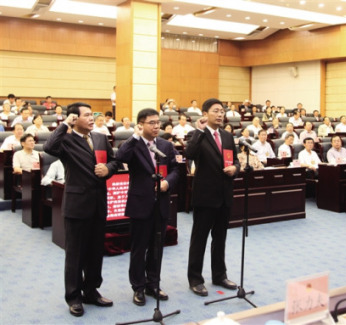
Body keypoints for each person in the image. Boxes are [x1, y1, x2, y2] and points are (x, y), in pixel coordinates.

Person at [43, 102, 120, 317]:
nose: (91, 118)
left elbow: (114, 162)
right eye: (86, 115)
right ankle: (74, 297)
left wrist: (108, 169)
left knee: (96, 252)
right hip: (77, 205)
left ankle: (91, 291)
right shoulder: (66, 140)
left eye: (91, 114)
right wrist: (64, 124)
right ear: (74, 118)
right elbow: (49, 148)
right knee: (75, 255)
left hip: (99, 204)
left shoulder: (100, 138)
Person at [116, 108, 179, 306]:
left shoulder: (166, 145)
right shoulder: (133, 145)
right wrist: (134, 136)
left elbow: (177, 168)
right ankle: (138, 287)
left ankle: (153, 283)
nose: (156, 126)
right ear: (141, 125)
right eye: (151, 122)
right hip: (140, 204)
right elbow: (120, 158)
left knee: (156, 248)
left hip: (160, 204)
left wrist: (168, 182)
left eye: (157, 122)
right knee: (138, 248)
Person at [184, 98, 240, 297]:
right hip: (205, 196)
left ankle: (219, 275)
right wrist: (198, 131)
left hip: (224, 195)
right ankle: (195, 279)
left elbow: (235, 160)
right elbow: (188, 153)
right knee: (199, 239)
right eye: (216, 111)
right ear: (205, 114)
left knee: (220, 238)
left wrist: (235, 168)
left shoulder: (227, 136)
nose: (220, 114)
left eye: (222, 111)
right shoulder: (196, 134)